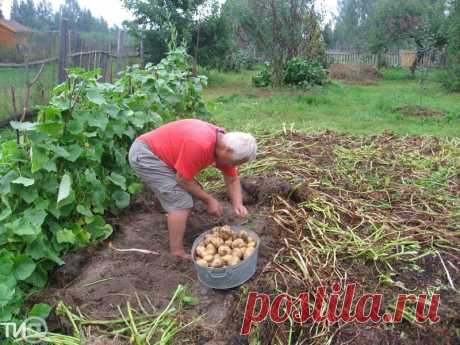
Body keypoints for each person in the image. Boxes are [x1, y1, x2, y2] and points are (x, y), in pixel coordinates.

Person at [128, 119, 257, 259]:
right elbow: (182, 179)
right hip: (146, 155)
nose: (233, 165)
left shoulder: (223, 144)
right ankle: (176, 253)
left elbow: (232, 179)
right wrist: (209, 200)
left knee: (191, 190)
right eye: (235, 162)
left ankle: (167, 208)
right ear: (227, 150)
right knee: (181, 201)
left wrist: (238, 203)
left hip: (162, 155)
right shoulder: (200, 145)